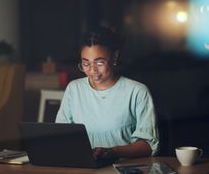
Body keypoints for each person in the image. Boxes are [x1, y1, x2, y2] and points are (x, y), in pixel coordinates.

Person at [55, 26, 159, 159]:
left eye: (99, 63)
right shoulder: (74, 89)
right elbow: (60, 135)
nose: (92, 71)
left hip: (124, 167)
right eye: (86, 64)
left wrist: (114, 151)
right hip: (83, 168)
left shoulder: (137, 92)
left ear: (115, 56)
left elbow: (148, 145)